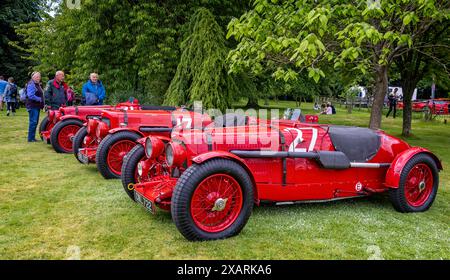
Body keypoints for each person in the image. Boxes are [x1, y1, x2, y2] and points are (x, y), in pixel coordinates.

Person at [26, 72, 45, 142]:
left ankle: (32, 138)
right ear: (33, 77)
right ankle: (30, 138)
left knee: (35, 122)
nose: (38, 78)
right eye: (37, 77)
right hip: (32, 106)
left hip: (36, 106)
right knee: (33, 122)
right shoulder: (31, 84)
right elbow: (30, 95)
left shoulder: (37, 84)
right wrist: (39, 99)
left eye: (39, 77)